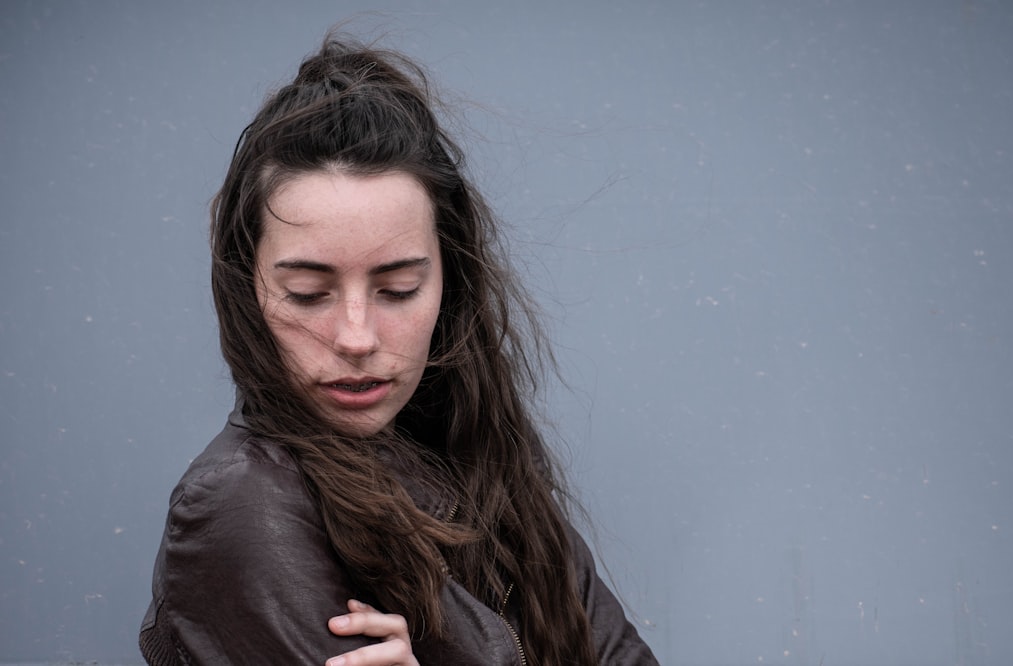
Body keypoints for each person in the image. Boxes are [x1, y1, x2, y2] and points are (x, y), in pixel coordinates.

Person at [139, 34, 659, 666]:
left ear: (451, 282)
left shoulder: (478, 462)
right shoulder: (246, 507)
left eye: (397, 289)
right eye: (307, 293)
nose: (356, 337)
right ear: (248, 291)